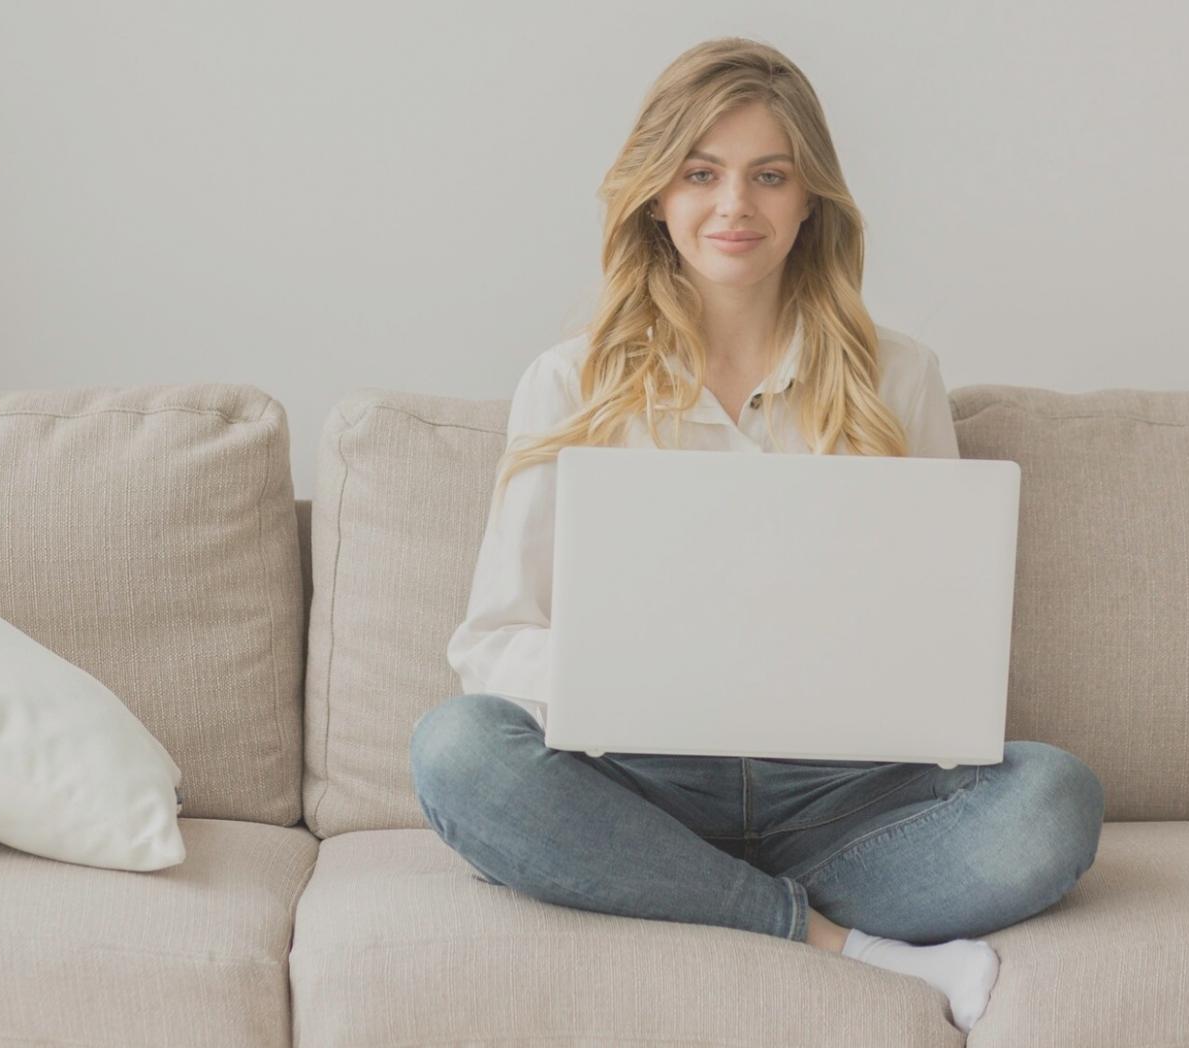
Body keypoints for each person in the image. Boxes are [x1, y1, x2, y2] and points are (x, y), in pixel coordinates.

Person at [409, 37, 1105, 1035]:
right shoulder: (568, 382)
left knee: (1054, 796)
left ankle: (673, 891)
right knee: (455, 750)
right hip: (640, 782)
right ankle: (833, 941)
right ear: (655, 194)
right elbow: (491, 641)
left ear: (807, 199)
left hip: (843, 800)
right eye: (699, 173)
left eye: (767, 176)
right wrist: (633, 678)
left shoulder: (896, 376)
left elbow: (940, 640)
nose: (732, 206)